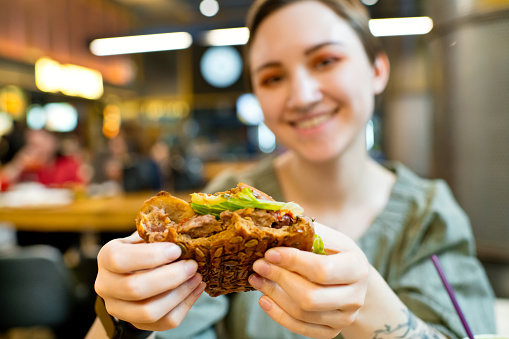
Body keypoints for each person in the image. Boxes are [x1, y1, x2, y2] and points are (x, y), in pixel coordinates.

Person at [89, 0, 496, 338]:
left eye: (325, 60)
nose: (301, 96)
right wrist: (125, 313)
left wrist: (367, 300)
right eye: (273, 77)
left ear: (377, 70)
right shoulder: (220, 208)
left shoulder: (427, 217)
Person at [0, 128, 84, 189]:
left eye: (41, 143)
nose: (38, 149)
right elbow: (3, 182)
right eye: (32, 144)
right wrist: (17, 164)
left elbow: (80, 188)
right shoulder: (27, 168)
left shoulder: (68, 164)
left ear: (54, 143)